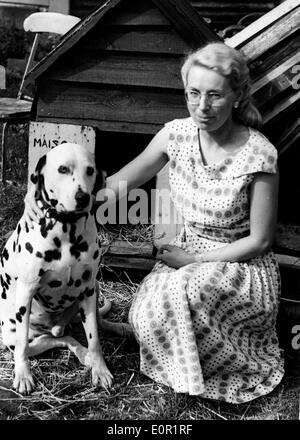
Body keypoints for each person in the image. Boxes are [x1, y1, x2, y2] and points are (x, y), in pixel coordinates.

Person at [24, 42, 284, 404]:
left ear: (238, 96)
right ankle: (170, 353)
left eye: (214, 96)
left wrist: (191, 262)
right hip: (185, 250)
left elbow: (259, 241)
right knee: (145, 315)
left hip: (239, 264)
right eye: (193, 93)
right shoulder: (175, 135)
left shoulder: (259, 154)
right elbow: (118, 184)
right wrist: (66, 201)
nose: (202, 107)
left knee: (186, 293)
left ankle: (206, 375)